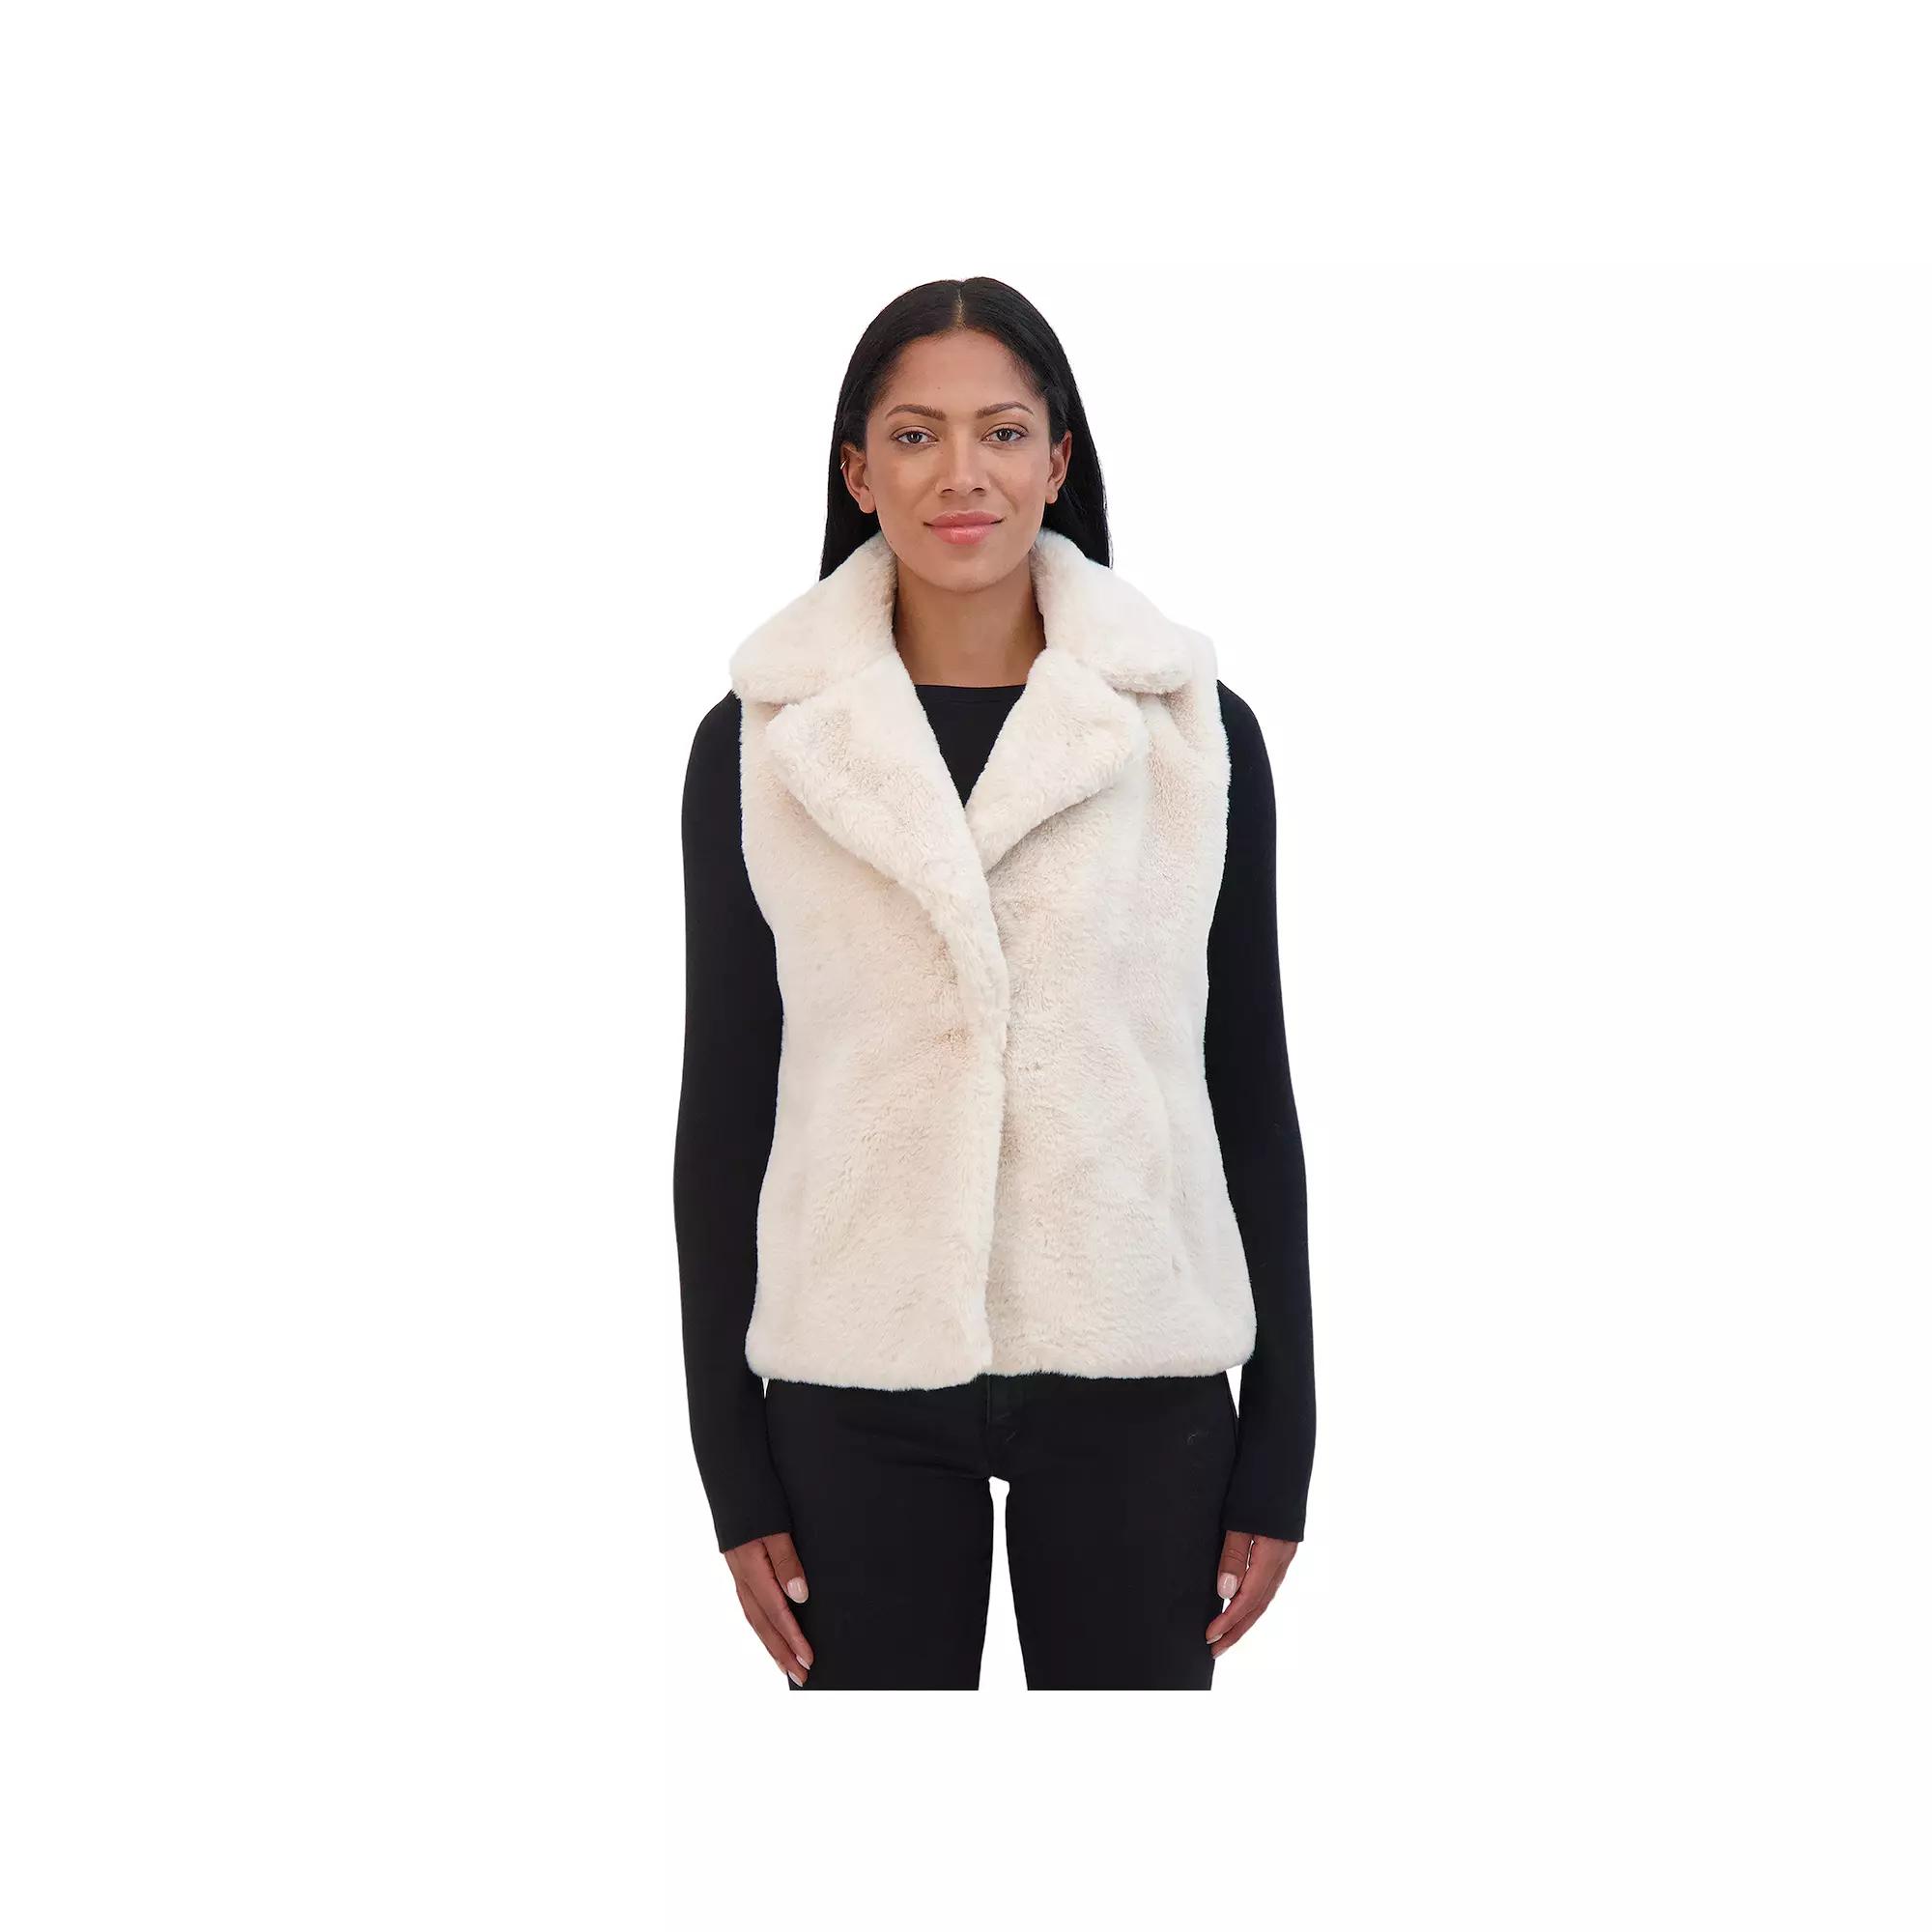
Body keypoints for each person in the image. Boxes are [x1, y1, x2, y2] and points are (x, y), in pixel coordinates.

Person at [674, 276, 1316, 1690]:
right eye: (914, 435)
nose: (961, 473)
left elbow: (1248, 1086)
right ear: (857, 471)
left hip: (1138, 1368)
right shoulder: (764, 744)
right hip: (853, 1374)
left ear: (1058, 459)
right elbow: (725, 1107)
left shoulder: (1193, 737)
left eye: (1003, 432)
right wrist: (732, 1465)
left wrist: (1285, 1438)